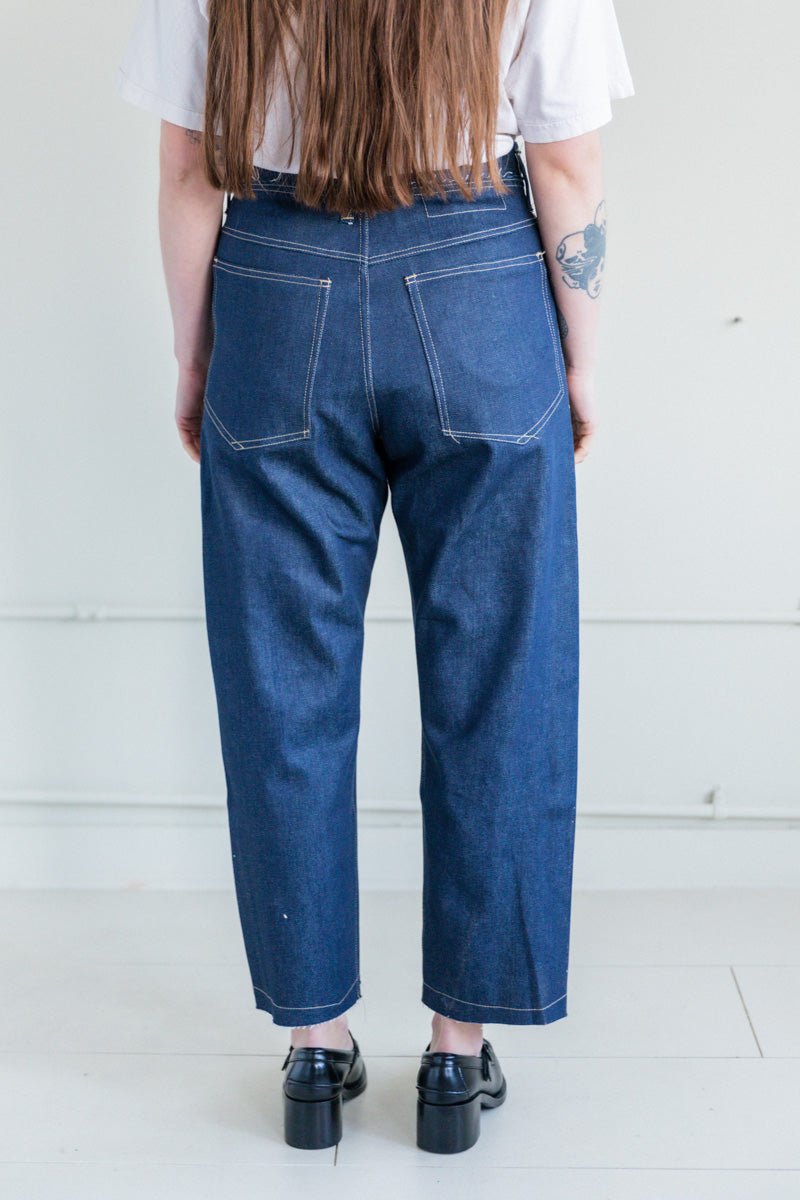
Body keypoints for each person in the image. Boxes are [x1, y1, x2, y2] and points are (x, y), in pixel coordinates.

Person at [114, 0, 633, 1155]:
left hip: (273, 283)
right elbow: (565, 161)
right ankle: (454, 1052)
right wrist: (581, 358)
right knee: (500, 678)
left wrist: (195, 355)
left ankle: (313, 1041)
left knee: (281, 684)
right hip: (479, 279)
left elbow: (188, 163)